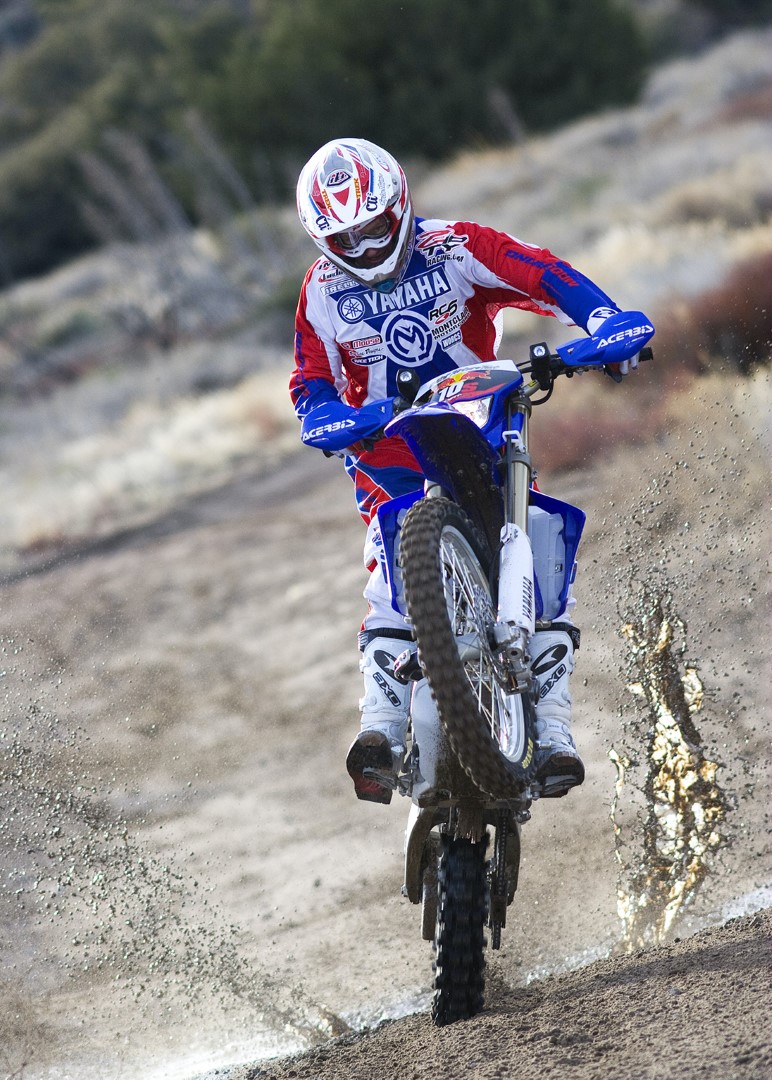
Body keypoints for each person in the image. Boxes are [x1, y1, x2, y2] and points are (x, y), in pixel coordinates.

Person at [290, 137, 650, 804]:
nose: (367, 247)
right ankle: (380, 728)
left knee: (536, 530)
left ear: (399, 204)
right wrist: (322, 417)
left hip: (481, 412)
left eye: (373, 227)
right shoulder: (320, 291)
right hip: (385, 444)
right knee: (388, 546)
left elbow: (541, 272)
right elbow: (309, 378)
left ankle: (552, 729)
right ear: (321, 239)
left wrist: (603, 320)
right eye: (347, 237)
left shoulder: (456, 246)